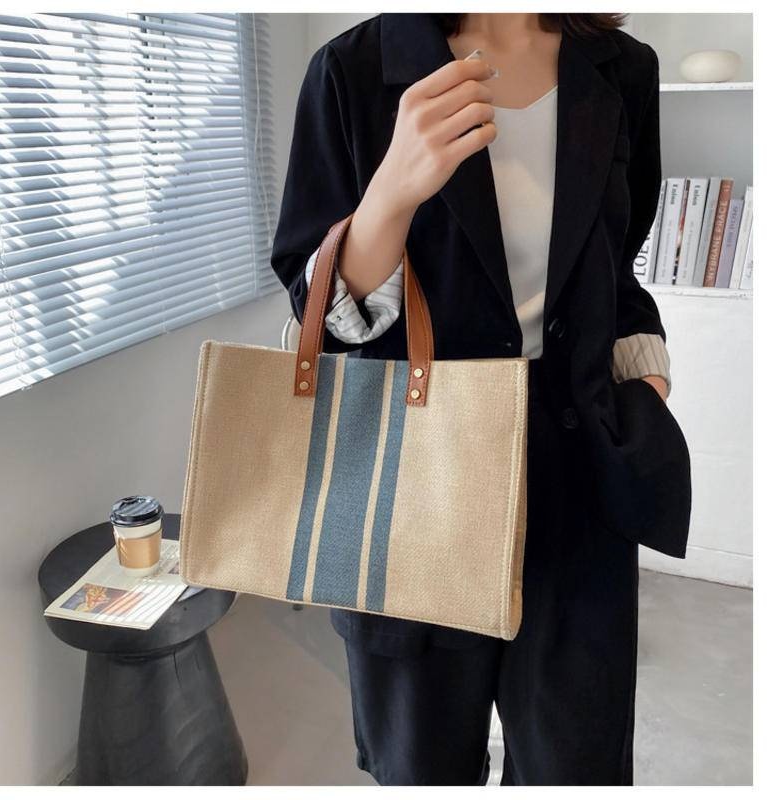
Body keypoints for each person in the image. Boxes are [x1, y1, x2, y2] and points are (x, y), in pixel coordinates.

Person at [271, 12, 688, 786]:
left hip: (576, 474)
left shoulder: (621, 69)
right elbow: (319, 312)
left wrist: (645, 388)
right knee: (421, 765)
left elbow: (616, 267)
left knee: (577, 764)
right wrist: (391, 192)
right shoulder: (352, 70)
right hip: (406, 481)